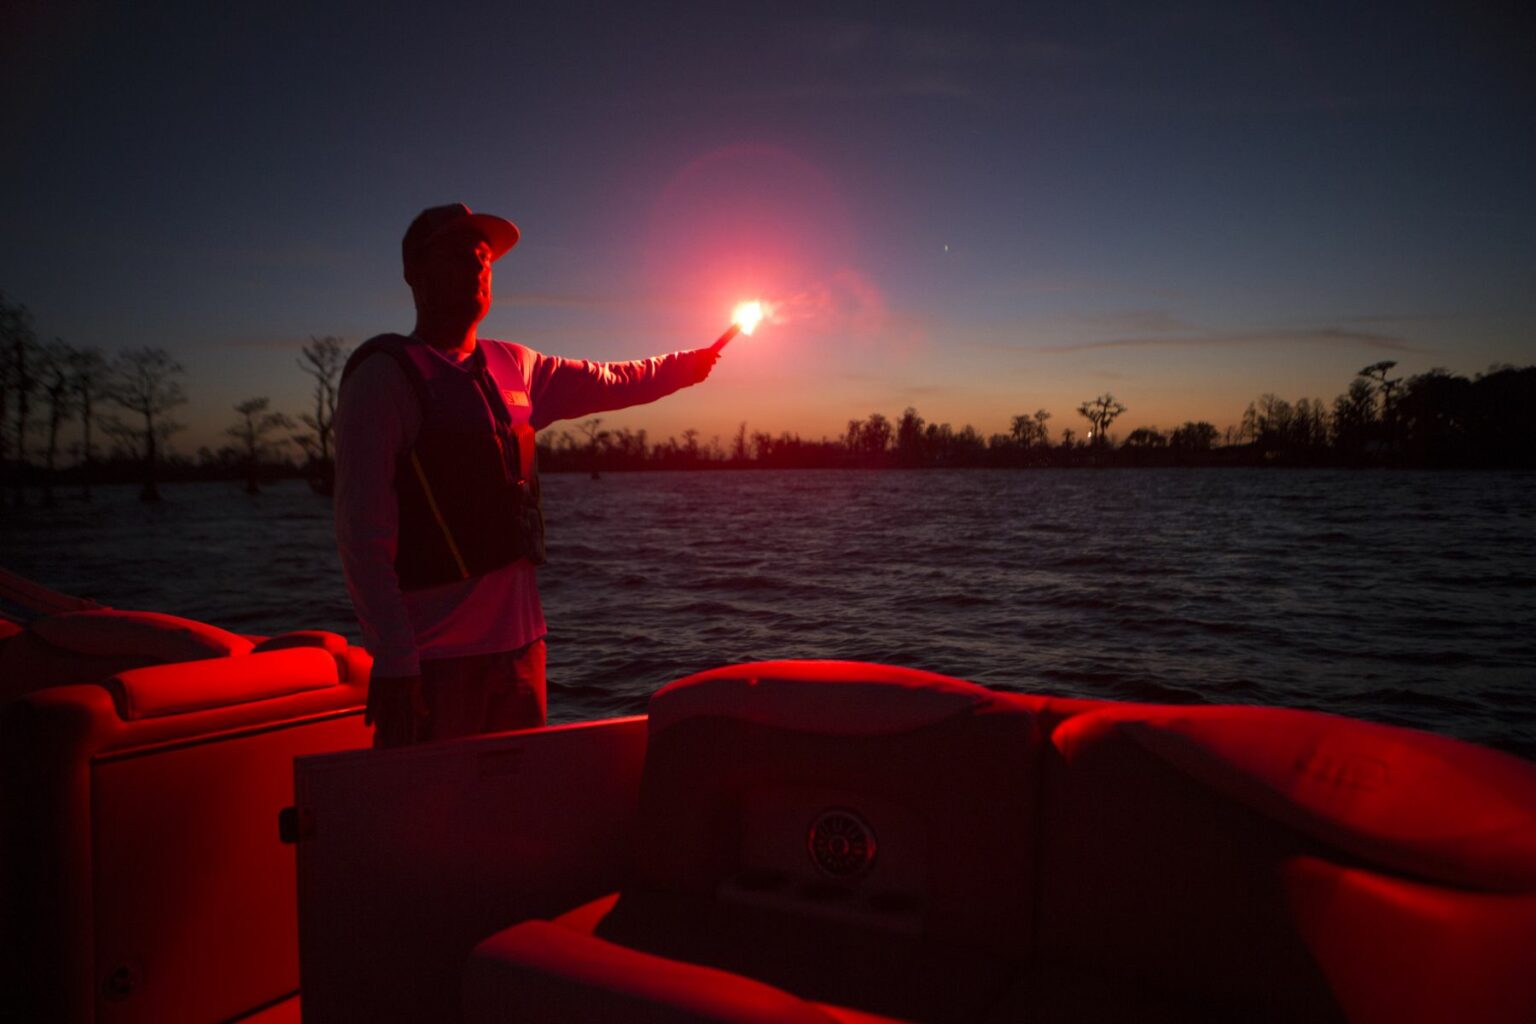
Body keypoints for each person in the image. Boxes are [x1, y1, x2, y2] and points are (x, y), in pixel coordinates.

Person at [334, 203, 722, 747]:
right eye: (459, 255)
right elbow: (361, 533)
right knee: (437, 826)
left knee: (515, 820)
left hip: (523, 651)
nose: (478, 266)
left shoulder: (516, 365)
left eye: (484, 258)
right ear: (415, 273)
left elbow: (611, 379)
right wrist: (397, 660)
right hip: (433, 663)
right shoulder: (383, 379)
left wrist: (688, 364)